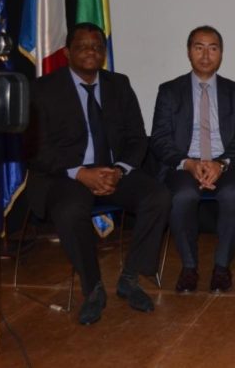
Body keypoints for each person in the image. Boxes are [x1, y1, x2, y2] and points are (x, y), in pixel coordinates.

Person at [27, 23, 170, 325]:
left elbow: (137, 138)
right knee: (69, 210)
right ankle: (92, 288)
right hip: (65, 176)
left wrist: (118, 170)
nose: (91, 52)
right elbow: (36, 149)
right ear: (67, 53)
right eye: (82, 46)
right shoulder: (43, 89)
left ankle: (130, 278)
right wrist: (80, 173)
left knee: (157, 196)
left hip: (113, 172)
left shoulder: (119, 84)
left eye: (97, 46)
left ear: (104, 53)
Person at [150, 26, 235, 293]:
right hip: (184, 163)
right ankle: (189, 267)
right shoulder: (170, 91)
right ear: (189, 52)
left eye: (213, 48)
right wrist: (188, 163)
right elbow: (160, 139)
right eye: (199, 48)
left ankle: (221, 267)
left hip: (225, 162)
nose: (206, 55)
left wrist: (220, 164)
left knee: (234, 193)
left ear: (221, 53)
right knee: (182, 196)